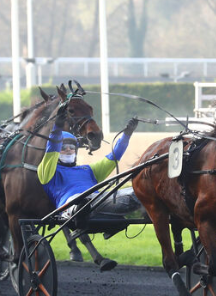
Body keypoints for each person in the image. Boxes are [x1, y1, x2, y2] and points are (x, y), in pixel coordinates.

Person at [37, 105, 145, 260]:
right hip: (71, 205)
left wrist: (127, 134)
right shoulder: (48, 171)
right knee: (80, 202)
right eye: (64, 148)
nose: (68, 150)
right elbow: (52, 147)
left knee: (137, 192)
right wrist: (58, 126)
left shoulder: (88, 170)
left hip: (98, 201)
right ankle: (81, 216)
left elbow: (115, 155)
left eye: (71, 147)